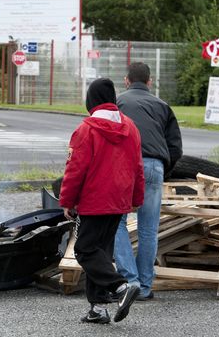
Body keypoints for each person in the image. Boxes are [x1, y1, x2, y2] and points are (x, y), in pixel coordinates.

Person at [59, 78, 144, 324]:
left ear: (91, 100)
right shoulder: (131, 127)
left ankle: (120, 287)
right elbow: (137, 167)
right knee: (101, 253)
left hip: (95, 200)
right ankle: (98, 309)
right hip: (119, 200)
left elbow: (75, 170)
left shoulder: (86, 129)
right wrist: (136, 199)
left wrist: (67, 201)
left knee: (85, 250)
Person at [113, 62, 183, 300]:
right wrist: (164, 169)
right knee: (148, 229)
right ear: (150, 82)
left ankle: (129, 280)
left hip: (124, 165)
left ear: (126, 80)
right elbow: (175, 147)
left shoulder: (119, 103)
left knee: (116, 222)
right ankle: (144, 287)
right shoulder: (163, 106)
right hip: (155, 165)